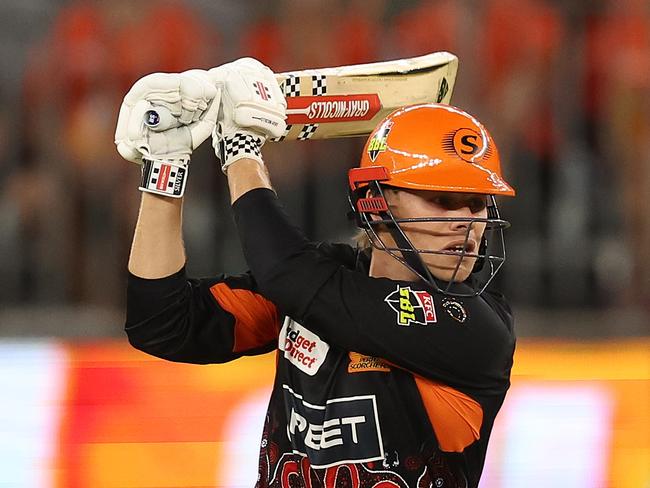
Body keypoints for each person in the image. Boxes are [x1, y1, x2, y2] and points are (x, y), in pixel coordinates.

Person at [115, 58, 516, 488]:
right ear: (376, 201)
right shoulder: (317, 283)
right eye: (443, 200)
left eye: (477, 202)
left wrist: (241, 151)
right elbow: (160, 323)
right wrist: (165, 164)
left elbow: (289, 274)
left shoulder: (475, 327)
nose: (467, 221)